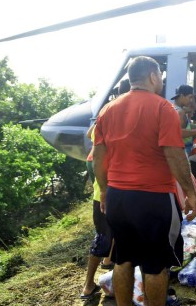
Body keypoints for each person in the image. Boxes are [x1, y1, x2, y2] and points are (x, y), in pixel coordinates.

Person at [93, 56, 196, 306]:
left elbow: (99, 156)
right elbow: (174, 154)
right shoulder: (163, 108)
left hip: (118, 197)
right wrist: (190, 192)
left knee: (123, 259)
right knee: (155, 265)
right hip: (152, 198)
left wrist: (105, 191)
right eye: (160, 76)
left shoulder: (107, 110)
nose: (161, 81)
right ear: (153, 76)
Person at [80, 123, 113, 301]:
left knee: (104, 235)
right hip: (110, 193)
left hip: (102, 194)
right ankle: (88, 285)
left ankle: (90, 284)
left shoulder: (102, 123)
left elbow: (89, 134)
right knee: (104, 236)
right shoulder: (117, 129)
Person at [172, 84, 196, 207]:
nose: (191, 100)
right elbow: (178, 133)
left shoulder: (173, 108)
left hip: (181, 154)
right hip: (186, 156)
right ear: (181, 96)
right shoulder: (180, 112)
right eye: (189, 97)